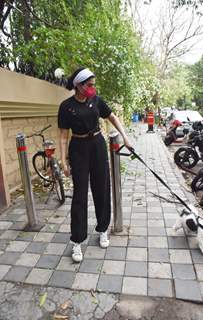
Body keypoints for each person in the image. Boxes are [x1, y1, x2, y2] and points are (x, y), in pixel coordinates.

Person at [58, 67, 132, 262]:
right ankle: (77, 241)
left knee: (102, 189)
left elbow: (112, 117)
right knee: (80, 195)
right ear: (79, 86)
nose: (93, 88)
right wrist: (63, 160)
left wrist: (125, 137)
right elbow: (63, 135)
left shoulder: (96, 101)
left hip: (98, 145)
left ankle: (102, 229)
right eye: (89, 85)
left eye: (93, 84)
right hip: (78, 148)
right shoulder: (66, 106)